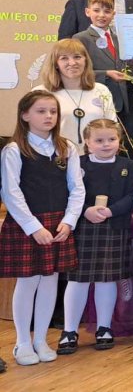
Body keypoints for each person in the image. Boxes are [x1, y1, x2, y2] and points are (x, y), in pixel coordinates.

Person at [1, 90, 84, 366]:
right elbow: (11, 192)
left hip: (58, 223)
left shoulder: (66, 148)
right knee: (28, 282)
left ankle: (40, 340)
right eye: (41, 111)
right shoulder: (15, 150)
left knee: (50, 281)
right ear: (25, 115)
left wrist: (69, 221)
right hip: (28, 224)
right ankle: (22, 342)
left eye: (53, 111)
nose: (49, 116)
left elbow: (77, 188)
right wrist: (33, 227)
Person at [56, 119, 133, 355]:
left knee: (107, 279)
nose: (106, 144)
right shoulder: (77, 164)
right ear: (87, 142)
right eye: (99, 140)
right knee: (77, 280)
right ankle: (69, 331)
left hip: (115, 227)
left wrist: (112, 211)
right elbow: (66, 193)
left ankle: (104, 328)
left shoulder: (127, 165)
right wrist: (85, 211)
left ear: (119, 141)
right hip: (83, 228)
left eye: (111, 139)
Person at [72, 0, 133, 144]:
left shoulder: (120, 39)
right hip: (96, 101)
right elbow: (77, 73)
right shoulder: (80, 39)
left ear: (114, 14)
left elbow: (131, 70)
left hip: (123, 103)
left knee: (124, 144)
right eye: (96, 10)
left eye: (107, 11)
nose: (101, 15)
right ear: (87, 12)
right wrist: (106, 74)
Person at [35, 39, 116, 149]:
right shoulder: (41, 93)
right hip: (57, 156)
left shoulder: (101, 90)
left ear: (85, 61)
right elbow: (34, 133)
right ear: (56, 63)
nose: (72, 63)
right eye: (64, 58)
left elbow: (112, 128)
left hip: (95, 157)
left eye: (77, 57)